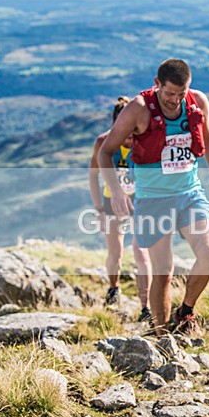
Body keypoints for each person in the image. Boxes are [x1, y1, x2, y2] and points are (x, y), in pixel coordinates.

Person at [99, 59, 209, 337]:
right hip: (153, 199)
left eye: (181, 94)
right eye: (170, 94)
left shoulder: (197, 102)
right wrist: (117, 191)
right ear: (157, 84)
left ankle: (186, 310)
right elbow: (105, 152)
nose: (175, 100)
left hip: (190, 194)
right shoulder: (138, 109)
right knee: (162, 273)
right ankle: (161, 336)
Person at [89, 97, 152, 320]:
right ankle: (114, 288)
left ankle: (146, 306)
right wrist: (99, 209)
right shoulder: (103, 143)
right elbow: (93, 176)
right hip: (111, 202)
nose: (128, 135)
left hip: (139, 201)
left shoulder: (142, 142)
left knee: (141, 252)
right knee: (115, 252)